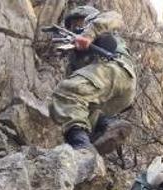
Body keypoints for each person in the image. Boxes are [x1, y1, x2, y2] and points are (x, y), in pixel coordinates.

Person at [49, 6, 136, 152]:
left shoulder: (103, 24)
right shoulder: (75, 58)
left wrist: (89, 34)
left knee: (68, 91)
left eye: (79, 22)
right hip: (116, 95)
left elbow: (114, 18)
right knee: (74, 108)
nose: (76, 27)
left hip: (115, 70)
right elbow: (75, 100)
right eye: (72, 26)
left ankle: (81, 147)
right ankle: (107, 126)